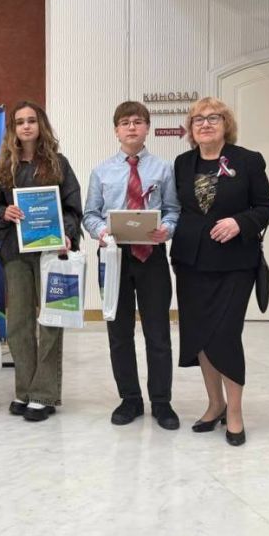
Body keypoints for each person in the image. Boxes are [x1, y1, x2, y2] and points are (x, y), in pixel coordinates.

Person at [171, 97, 269, 446]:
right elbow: (179, 209)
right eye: (197, 119)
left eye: (213, 118)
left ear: (225, 124)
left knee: (225, 334)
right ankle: (214, 404)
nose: (204, 124)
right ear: (190, 128)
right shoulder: (183, 163)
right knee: (199, 335)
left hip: (234, 264)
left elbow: (266, 207)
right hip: (191, 263)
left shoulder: (247, 160)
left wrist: (239, 222)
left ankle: (235, 412)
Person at [83, 101, 181, 430]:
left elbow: (173, 210)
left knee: (157, 332)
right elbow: (90, 214)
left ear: (147, 128)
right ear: (116, 130)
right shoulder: (102, 171)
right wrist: (101, 232)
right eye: (125, 123)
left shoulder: (163, 169)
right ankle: (130, 399)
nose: (131, 128)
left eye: (138, 122)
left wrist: (168, 228)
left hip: (151, 256)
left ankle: (162, 402)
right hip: (113, 257)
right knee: (119, 332)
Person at [0, 100, 83, 422]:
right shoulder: (4, 169)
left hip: (51, 254)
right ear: (13, 129)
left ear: (41, 125)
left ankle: (44, 394)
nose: (26, 126)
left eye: (31, 120)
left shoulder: (59, 165)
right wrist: (4, 212)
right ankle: (24, 390)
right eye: (19, 122)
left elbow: (72, 208)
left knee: (52, 320)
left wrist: (68, 233)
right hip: (16, 255)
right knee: (18, 325)